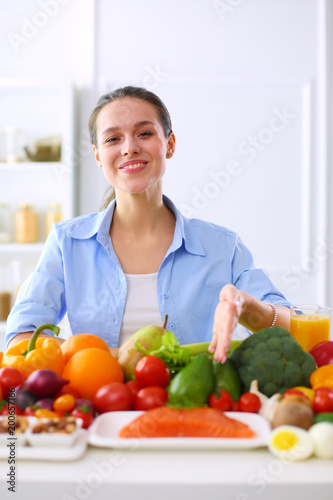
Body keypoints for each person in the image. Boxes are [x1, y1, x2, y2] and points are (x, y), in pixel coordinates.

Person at [5, 86, 291, 363]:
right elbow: (20, 339)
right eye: (113, 139)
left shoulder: (223, 247)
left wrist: (247, 305)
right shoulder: (67, 242)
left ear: (169, 144)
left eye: (144, 133)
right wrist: (122, 356)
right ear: (97, 156)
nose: (130, 148)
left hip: (195, 405)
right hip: (96, 407)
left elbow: (295, 331)